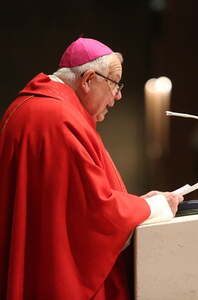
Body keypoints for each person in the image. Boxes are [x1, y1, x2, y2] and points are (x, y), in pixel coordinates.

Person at [0, 37, 183, 300]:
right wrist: (154, 206)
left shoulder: (27, 107)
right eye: (114, 84)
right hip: (58, 277)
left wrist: (134, 205)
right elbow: (92, 214)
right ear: (87, 79)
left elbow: (68, 202)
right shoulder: (59, 120)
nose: (118, 95)